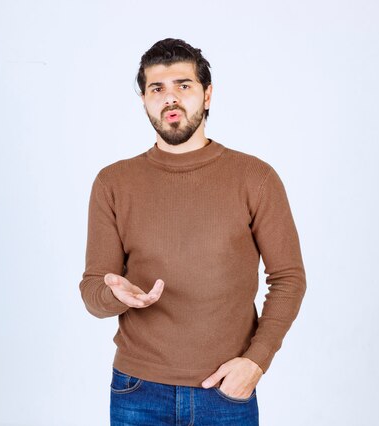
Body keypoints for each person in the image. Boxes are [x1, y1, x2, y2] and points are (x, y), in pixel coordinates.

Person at [79, 38, 307, 426]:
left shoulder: (255, 178)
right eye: (157, 89)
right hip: (138, 391)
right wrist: (115, 294)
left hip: (226, 390)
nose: (170, 98)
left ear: (207, 95)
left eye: (183, 85)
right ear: (145, 100)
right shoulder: (113, 182)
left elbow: (288, 279)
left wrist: (256, 361)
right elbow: (92, 292)